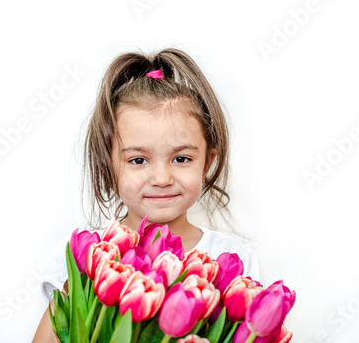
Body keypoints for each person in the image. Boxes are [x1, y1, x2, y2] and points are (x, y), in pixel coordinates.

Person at [32, 47, 259, 342]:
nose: (162, 179)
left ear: (208, 162)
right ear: (109, 165)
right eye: (138, 160)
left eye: (182, 159)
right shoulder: (87, 257)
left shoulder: (233, 260)